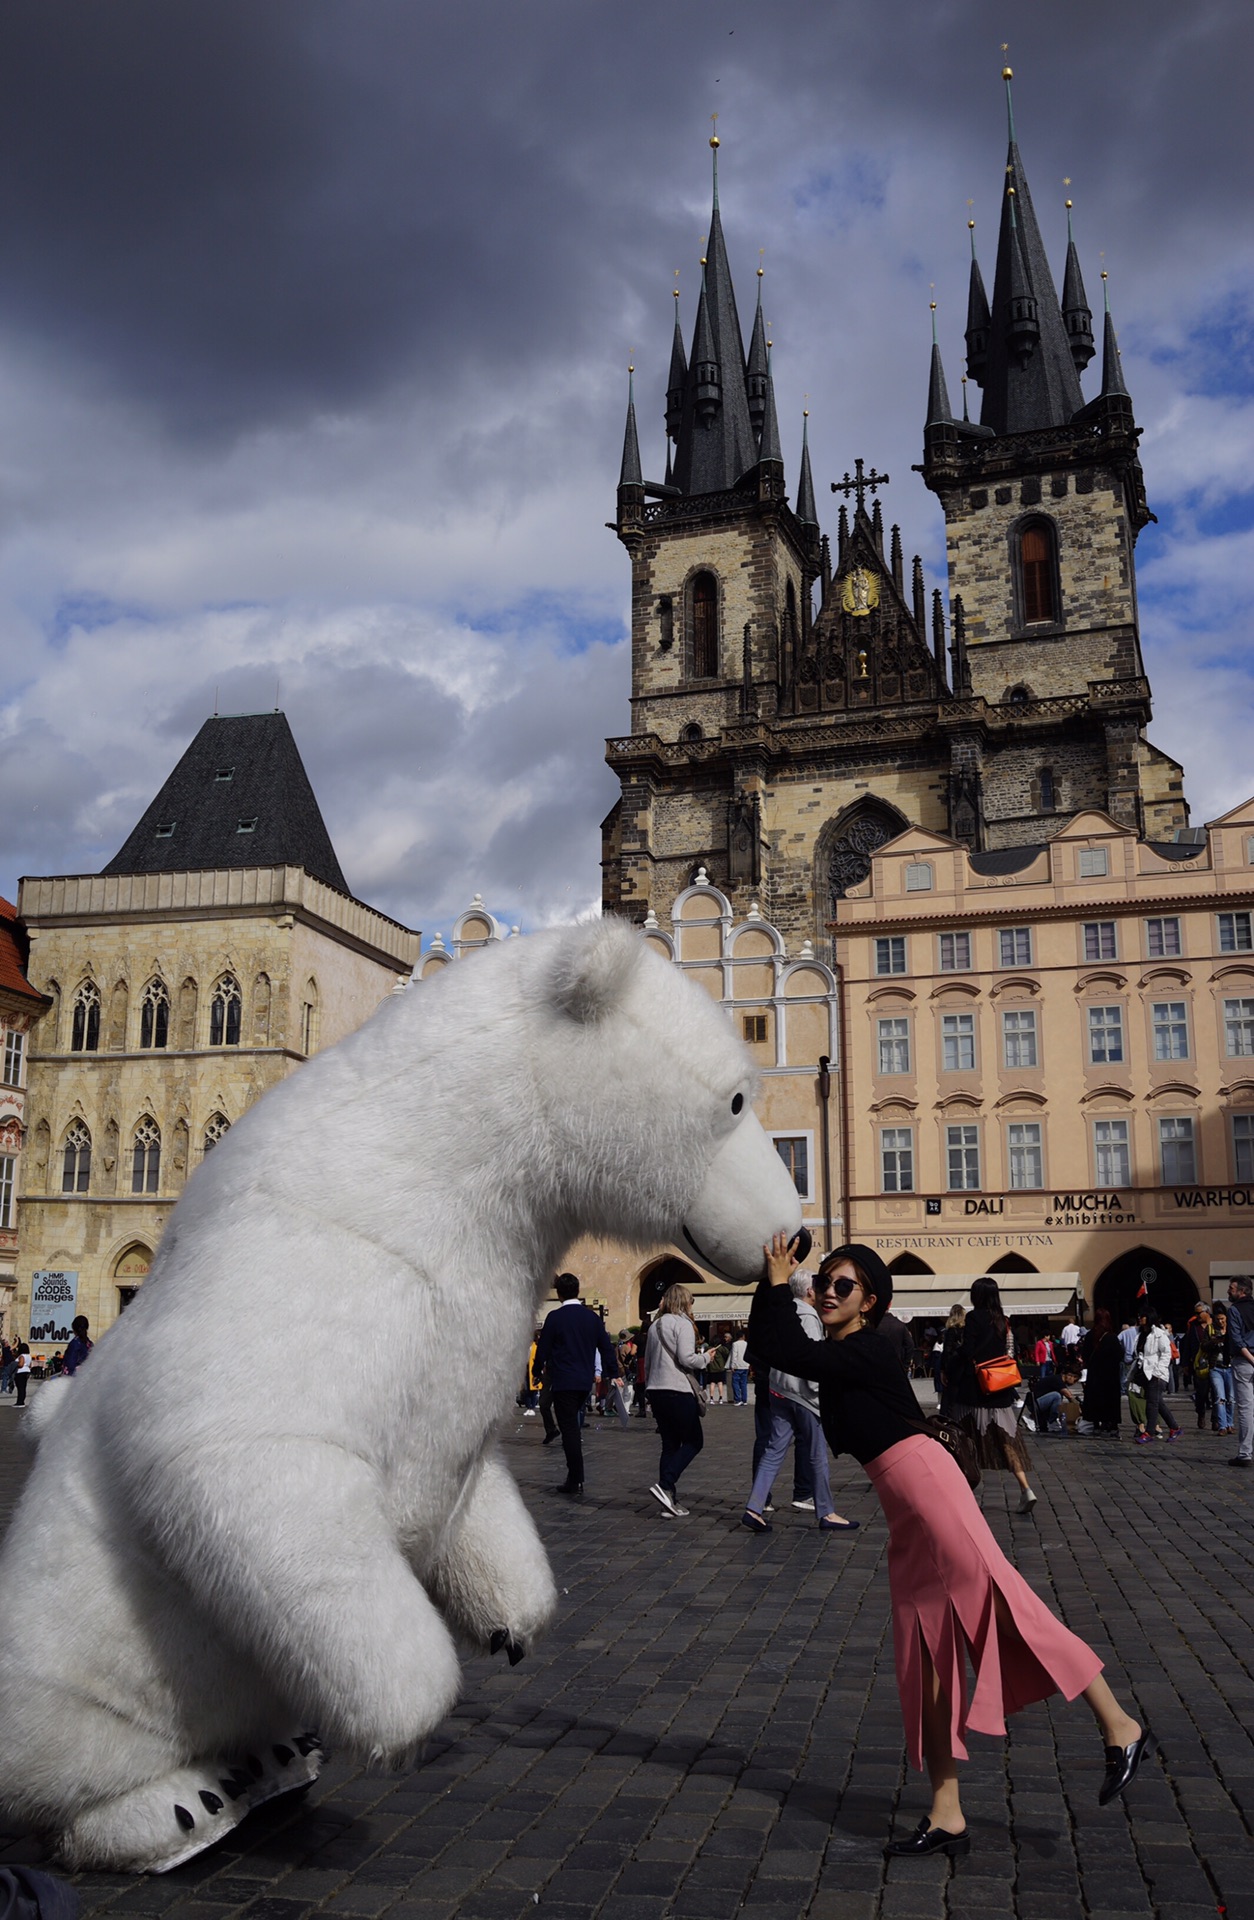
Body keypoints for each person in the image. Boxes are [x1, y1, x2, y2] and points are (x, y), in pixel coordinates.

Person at [750, 1236, 1151, 1858]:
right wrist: (772, 1282)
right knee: (925, 1655)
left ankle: (1120, 1725)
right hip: (903, 1511)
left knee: (1006, 1603)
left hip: (930, 1489)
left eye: (843, 1286)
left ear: (870, 1302)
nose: (828, 1291)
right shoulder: (840, 1350)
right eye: (822, 1282)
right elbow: (769, 1348)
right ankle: (947, 1811)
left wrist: (776, 1279)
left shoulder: (871, 1349)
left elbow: (782, 1347)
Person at [742, 1270, 857, 1533]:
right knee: (817, 1455)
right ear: (808, 1292)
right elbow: (811, 1359)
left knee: (773, 1452)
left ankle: (754, 1507)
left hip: (778, 1390)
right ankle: (826, 1512)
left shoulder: (782, 1312)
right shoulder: (807, 1317)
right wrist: (820, 1394)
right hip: (802, 1396)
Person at [946, 1278, 1038, 1515]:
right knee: (1008, 1441)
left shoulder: (975, 1318)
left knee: (968, 1441)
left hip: (975, 1390)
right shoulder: (1003, 1320)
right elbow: (1008, 1350)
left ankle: (965, 1496)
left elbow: (968, 1351)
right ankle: (1026, 1489)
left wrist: (954, 1358)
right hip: (999, 1389)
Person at [532, 1274, 621, 1498]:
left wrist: (536, 1371)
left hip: (564, 1381)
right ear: (578, 1291)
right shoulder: (591, 1318)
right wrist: (612, 1372)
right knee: (573, 1425)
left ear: (559, 1293)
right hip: (584, 1381)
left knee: (569, 1430)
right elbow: (606, 1346)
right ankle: (575, 1476)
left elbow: (543, 1348)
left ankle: (576, 1478)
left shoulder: (555, 1317)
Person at [644, 1282, 709, 1516]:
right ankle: (665, 1484)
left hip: (656, 1389)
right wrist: (705, 1359)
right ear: (684, 1301)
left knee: (669, 1444)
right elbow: (686, 1358)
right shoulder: (683, 1324)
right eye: (691, 1300)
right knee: (694, 1441)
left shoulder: (655, 1326)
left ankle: (668, 1500)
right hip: (678, 1390)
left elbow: (649, 1362)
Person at [1130, 1309, 1180, 1444]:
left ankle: (1149, 1432)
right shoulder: (1141, 1334)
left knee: (1152, 1404)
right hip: (1145, 1372)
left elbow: (1166, 1354)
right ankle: (1174, 1427)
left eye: (1143, 1316)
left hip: (1156, 1373)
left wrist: (1158, 1371)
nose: (1140, 1318)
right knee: (1158, 1402)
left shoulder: (1159, 1334)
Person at [1079, 1309, 1122, 1437]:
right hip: (1110, 1375)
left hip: (1095, 1375)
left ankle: (1097, 1424)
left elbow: (1085, 1355)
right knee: (1111, 1399)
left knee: (1096, 1399)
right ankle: (1111, 1425)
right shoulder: (1112, 1337)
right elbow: (1119, 1355)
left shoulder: (1090, 1336)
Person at [1225, 1276, 1254, 1467]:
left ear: (1241, 1291)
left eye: (1231, 1288)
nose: (1228, 1291)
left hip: (1245, 1361)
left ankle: (1245, 1453)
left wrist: (1251, 1359)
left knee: (1245, 1409)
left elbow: (1236, 1339)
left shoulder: (1234, 1310)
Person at [1181, 1304, 1215, 1432]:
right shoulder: (1193, 1326)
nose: (1197, 1316)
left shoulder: (1216, 1323)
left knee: (1217, 1393)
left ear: (1207, 1312)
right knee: (1201, 1393)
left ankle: (1216, 1419)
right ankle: (1201, 1413)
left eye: (1199, 1313)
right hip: (1199, 1365)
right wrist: (1185, 1364)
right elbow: (1187, 1346)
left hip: (1215, 1363)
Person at [1210, 1304, 1235, 1436]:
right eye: (1218, 1319)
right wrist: (1215, 1341)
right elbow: (1203, 1345)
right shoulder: (1211, 1329)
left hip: (1230, 1367)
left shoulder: (1232, 1329)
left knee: (1231, 1398)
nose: (1220, 1321)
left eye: (1222, 1319)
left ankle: (1230, 1424)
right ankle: (1222, 1426)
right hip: (1216, 1367)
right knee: (1220, 1397)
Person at [937, 1305, 965, 1416]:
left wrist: (943, 1370)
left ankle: (947, 1422)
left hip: (953, 1367)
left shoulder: (951, 1331)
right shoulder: (967, 1330)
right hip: (964, 1366)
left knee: (949, 1399)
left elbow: (946, 1351)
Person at [878, 1308, 915, 1376]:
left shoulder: (874, 1325)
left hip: (878, 1366)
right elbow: (910, 1345)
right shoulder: (900, 1325)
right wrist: (905, 1365)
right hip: (897, 1364)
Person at [704, 1335, 729, 1406]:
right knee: (720, 1383)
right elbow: (727, 1352)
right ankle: (721, 1398)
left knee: (712, 1383)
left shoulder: (708, 1348)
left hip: (711, 1368)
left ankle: (711, 1399)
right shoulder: (721, 1348)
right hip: (720, 1368)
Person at [728, 1331, 750, 1404]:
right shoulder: (747, 1344)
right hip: (745, 1365)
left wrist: (732, 1365)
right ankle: (744, 1400)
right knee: (744, 1383)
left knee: (735, 1383)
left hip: (737, 1365)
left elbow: (734, 1355)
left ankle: (738, 1399)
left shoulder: (735, 1344)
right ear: (743, 1336)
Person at [13, 1343, 31, 1408]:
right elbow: (30, 1365)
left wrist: (15, 1364)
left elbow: (21, 1364)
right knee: (23, 1387)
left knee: (20, 1388)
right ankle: (21, 1401)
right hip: (27, 1371)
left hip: (20, 1372)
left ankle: (20, 1402)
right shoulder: (28, 1356)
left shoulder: (21, 1356)